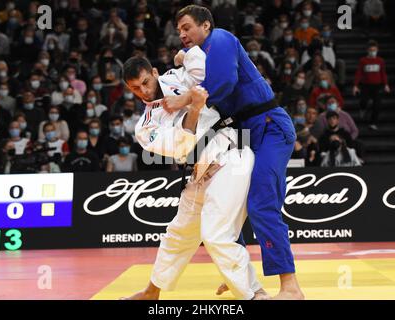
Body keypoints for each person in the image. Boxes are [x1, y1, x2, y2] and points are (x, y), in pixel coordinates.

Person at [164, 5, 303, 300]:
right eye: (178, 31)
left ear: (205, 25)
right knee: (226, 205)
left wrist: (185, 99)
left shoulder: (221, 39)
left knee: (262, 204)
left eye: (187, 27)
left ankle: (291, 287)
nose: (183, 34)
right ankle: (237, 273)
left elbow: (224, 84)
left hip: (269, 128)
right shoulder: (197, 62)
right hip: (240, 135)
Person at [122, 48, 266, 300]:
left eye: (145, 82)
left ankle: (254, 295)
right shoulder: (145, 126)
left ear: (154, 73)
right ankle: (151, 292)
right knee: (178, 234)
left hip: (230, 156)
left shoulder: (176, 77)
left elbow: (205, 68)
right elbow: (181, 146)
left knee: (216, 235)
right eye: (135, 88)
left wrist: (185, 55)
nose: (143, 91)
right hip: (198, 173)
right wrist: (195, 107)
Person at [353, 40, 390, 130]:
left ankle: (373, 122)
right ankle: (362, 109)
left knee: (377, 105)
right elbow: (359, 73)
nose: (373, 51)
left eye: (374, 50)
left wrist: (386, 84)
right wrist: (355, 85)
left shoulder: (380, 61)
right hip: (366, 86)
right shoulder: (363, 60)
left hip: (377, 86)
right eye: (371, 50)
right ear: (367, 50)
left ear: (377, 50)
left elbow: (383, 73)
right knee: (363, 101)